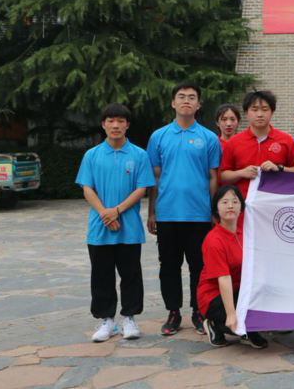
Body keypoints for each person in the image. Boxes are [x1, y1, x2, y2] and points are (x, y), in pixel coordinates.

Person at [76, 103, 156, 342]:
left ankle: (129, 318)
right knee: (101, 275)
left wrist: (117, 211)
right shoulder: (92, 155)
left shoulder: (139, 155)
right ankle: (106, 321)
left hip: (128, 227)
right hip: (99, 227)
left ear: (127, 124)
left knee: (131, 274)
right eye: (111, 121)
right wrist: (105, 213)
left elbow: (141, 188)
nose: (116, 125)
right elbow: (87, 188)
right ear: (103, 124)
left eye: (121, 121)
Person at [147, 82, 221, 336]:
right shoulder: (158, 137)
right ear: (173, 103)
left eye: (191, 97)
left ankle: (199, 311)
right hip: (167, 213)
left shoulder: (208, 138)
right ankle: (173, 312)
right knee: (169, 266)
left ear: (198, 104)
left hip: (199, 214)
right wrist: (152, 212)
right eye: (181, 97)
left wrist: (213, 211)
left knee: (199, 266)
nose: (186, 101)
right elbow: (155, 176)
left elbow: (213, 176)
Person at [198, 185, 269, 349]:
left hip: (239, 289)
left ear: (241, 207)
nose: (230, 206)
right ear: (216, 209)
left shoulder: (245, 234)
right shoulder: (214, 240)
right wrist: (231, 314)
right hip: (214, 296)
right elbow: (223, 278)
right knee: (240, 319)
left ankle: (246, 329)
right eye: (224, 202)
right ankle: (215, 324)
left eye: (235, 202)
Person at [219, 90, 294, 207]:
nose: (259, 114)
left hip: (276, 206)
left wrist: (279, 168)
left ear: (272, 112)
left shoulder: (286, 140)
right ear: (246, 113)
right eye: (254, 110)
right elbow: (223, 176)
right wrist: (241, 173)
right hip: (243, 206)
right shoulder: (234, 142)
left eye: (264, 109)